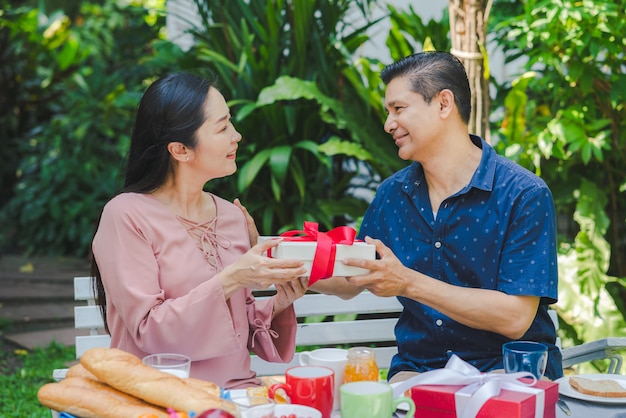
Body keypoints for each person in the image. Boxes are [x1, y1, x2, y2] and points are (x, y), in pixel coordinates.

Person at [312, 51, 563, 381]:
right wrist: (283, 261)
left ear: (444, 104)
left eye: (398, 109)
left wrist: (409, 283)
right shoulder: (393, 194)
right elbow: (351, 277)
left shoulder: (523, 194)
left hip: (509, 374)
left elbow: (515, 318)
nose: (388, 124)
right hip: (419, 373)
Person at [91, 72, 309, 389]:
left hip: (238, 393)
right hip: (159, 398)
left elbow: (235, 328)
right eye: (222, 128)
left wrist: (278, 303)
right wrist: (233, 277)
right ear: (180, 150)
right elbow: (148, 330)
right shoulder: (125, 216)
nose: (237, 136)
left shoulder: (232, 216)